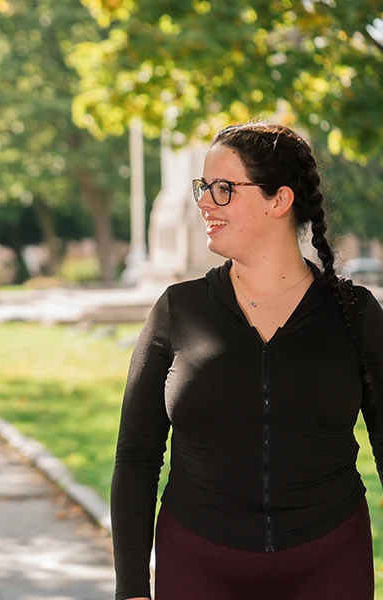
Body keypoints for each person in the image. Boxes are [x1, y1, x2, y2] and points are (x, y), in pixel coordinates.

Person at [111, 121, 383, 600]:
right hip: (197, 562)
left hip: (329, 561)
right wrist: (132, 587)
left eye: (223, 189)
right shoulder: (179, 310)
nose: (204, 203)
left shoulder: (354, 314)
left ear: (279, 200)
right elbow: (136, 455)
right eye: (203, 188)